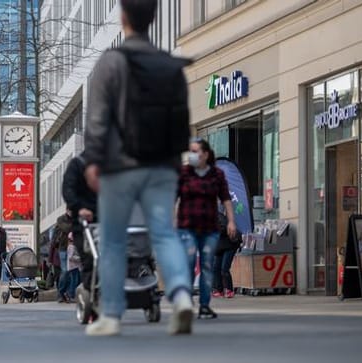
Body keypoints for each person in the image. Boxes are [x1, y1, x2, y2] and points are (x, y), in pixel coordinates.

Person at [83, 0, 194, 336]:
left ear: (123, 18)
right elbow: (181, 119)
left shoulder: (112, 62)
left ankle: (112, 315)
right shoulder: (170, 65)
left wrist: (93, 160)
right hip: (162, 165)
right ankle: (182, 295)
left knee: (114, 240)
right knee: (163, 233)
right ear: (153, 18)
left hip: (120, 165)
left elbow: (98, 117)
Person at [177, 139, 237, 319]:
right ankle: (186, 302)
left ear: (205, 154)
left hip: (210, 228)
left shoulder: (216, 174)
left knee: (207, 266)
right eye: (191, 151)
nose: (192, 155)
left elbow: (226, 199)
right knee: (187, 264)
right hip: (187, 226)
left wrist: (231, 221)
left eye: (196, 151)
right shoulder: (184, 173)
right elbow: (175, 197)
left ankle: (204, 305)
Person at [62, 152, 98, 294]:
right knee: (89, 259)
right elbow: (68, 189)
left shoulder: (116, 161)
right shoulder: (78, 164)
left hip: (110, 218)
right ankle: (92, 293)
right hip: (84, 221)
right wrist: (79, 208)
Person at [213, 212, 242, 299]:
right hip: (219, 247)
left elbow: (225, 228)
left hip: (230, 244)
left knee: (224, 268)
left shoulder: (218, 216)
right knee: (216, 268)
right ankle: (219, 290)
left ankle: (229, 290)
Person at [53, 210, 73, 302]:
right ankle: (60, 292)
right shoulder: (61, 219)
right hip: (63, 248)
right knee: (65, 270)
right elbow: (66, 228)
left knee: (72, 272)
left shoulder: (75, 219)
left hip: (73, 248)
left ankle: (67, 293)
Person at [66, 232, 81, 302]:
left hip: (75, 266)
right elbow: (71, 257)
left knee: (75, 281)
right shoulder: (71, 247)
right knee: (74, 281)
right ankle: (71, 295)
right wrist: (79, 258)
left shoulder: (71, 246)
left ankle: (72, 294)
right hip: (73, 267)